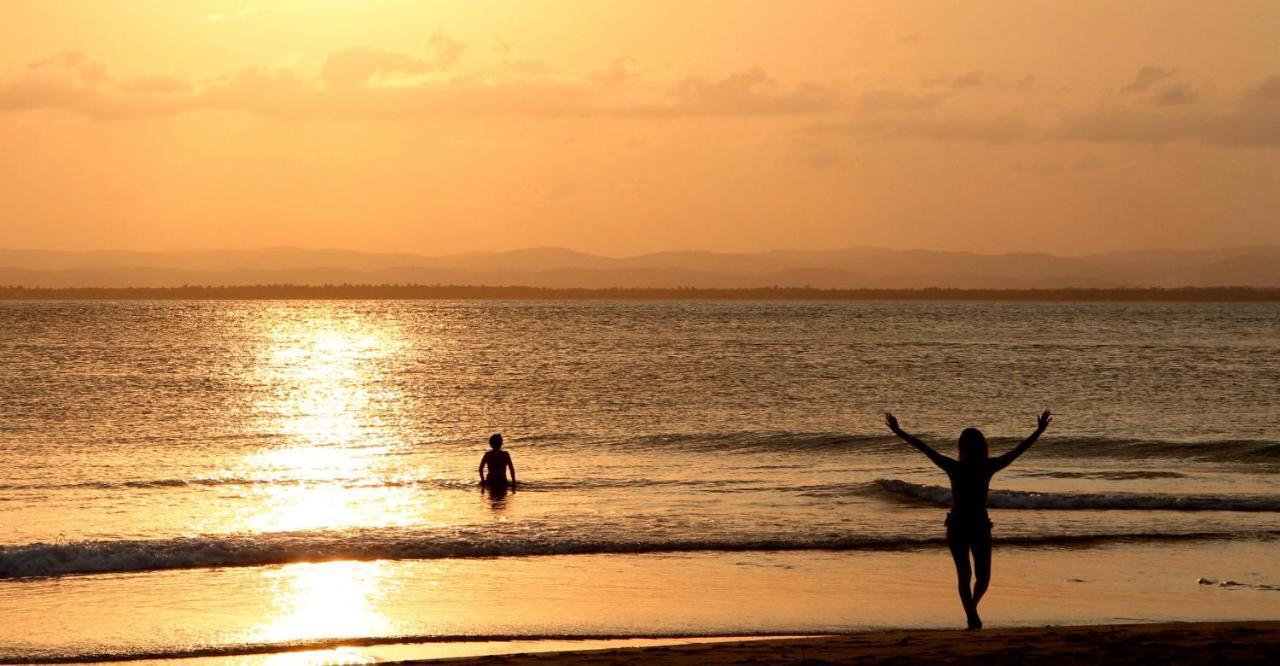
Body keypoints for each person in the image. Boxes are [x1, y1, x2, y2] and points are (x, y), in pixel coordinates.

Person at [884, 409, 1052, 630]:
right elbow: (1017, 451)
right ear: (982, 446)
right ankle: (972, 615)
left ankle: (971, 612)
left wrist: (899, 431)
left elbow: (925, 448)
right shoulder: (983, 466)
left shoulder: (960, 467)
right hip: (972, 525)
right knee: (978, 576)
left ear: (961, 448)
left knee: (971, 576)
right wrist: (1038, 431)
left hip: (963, 525)